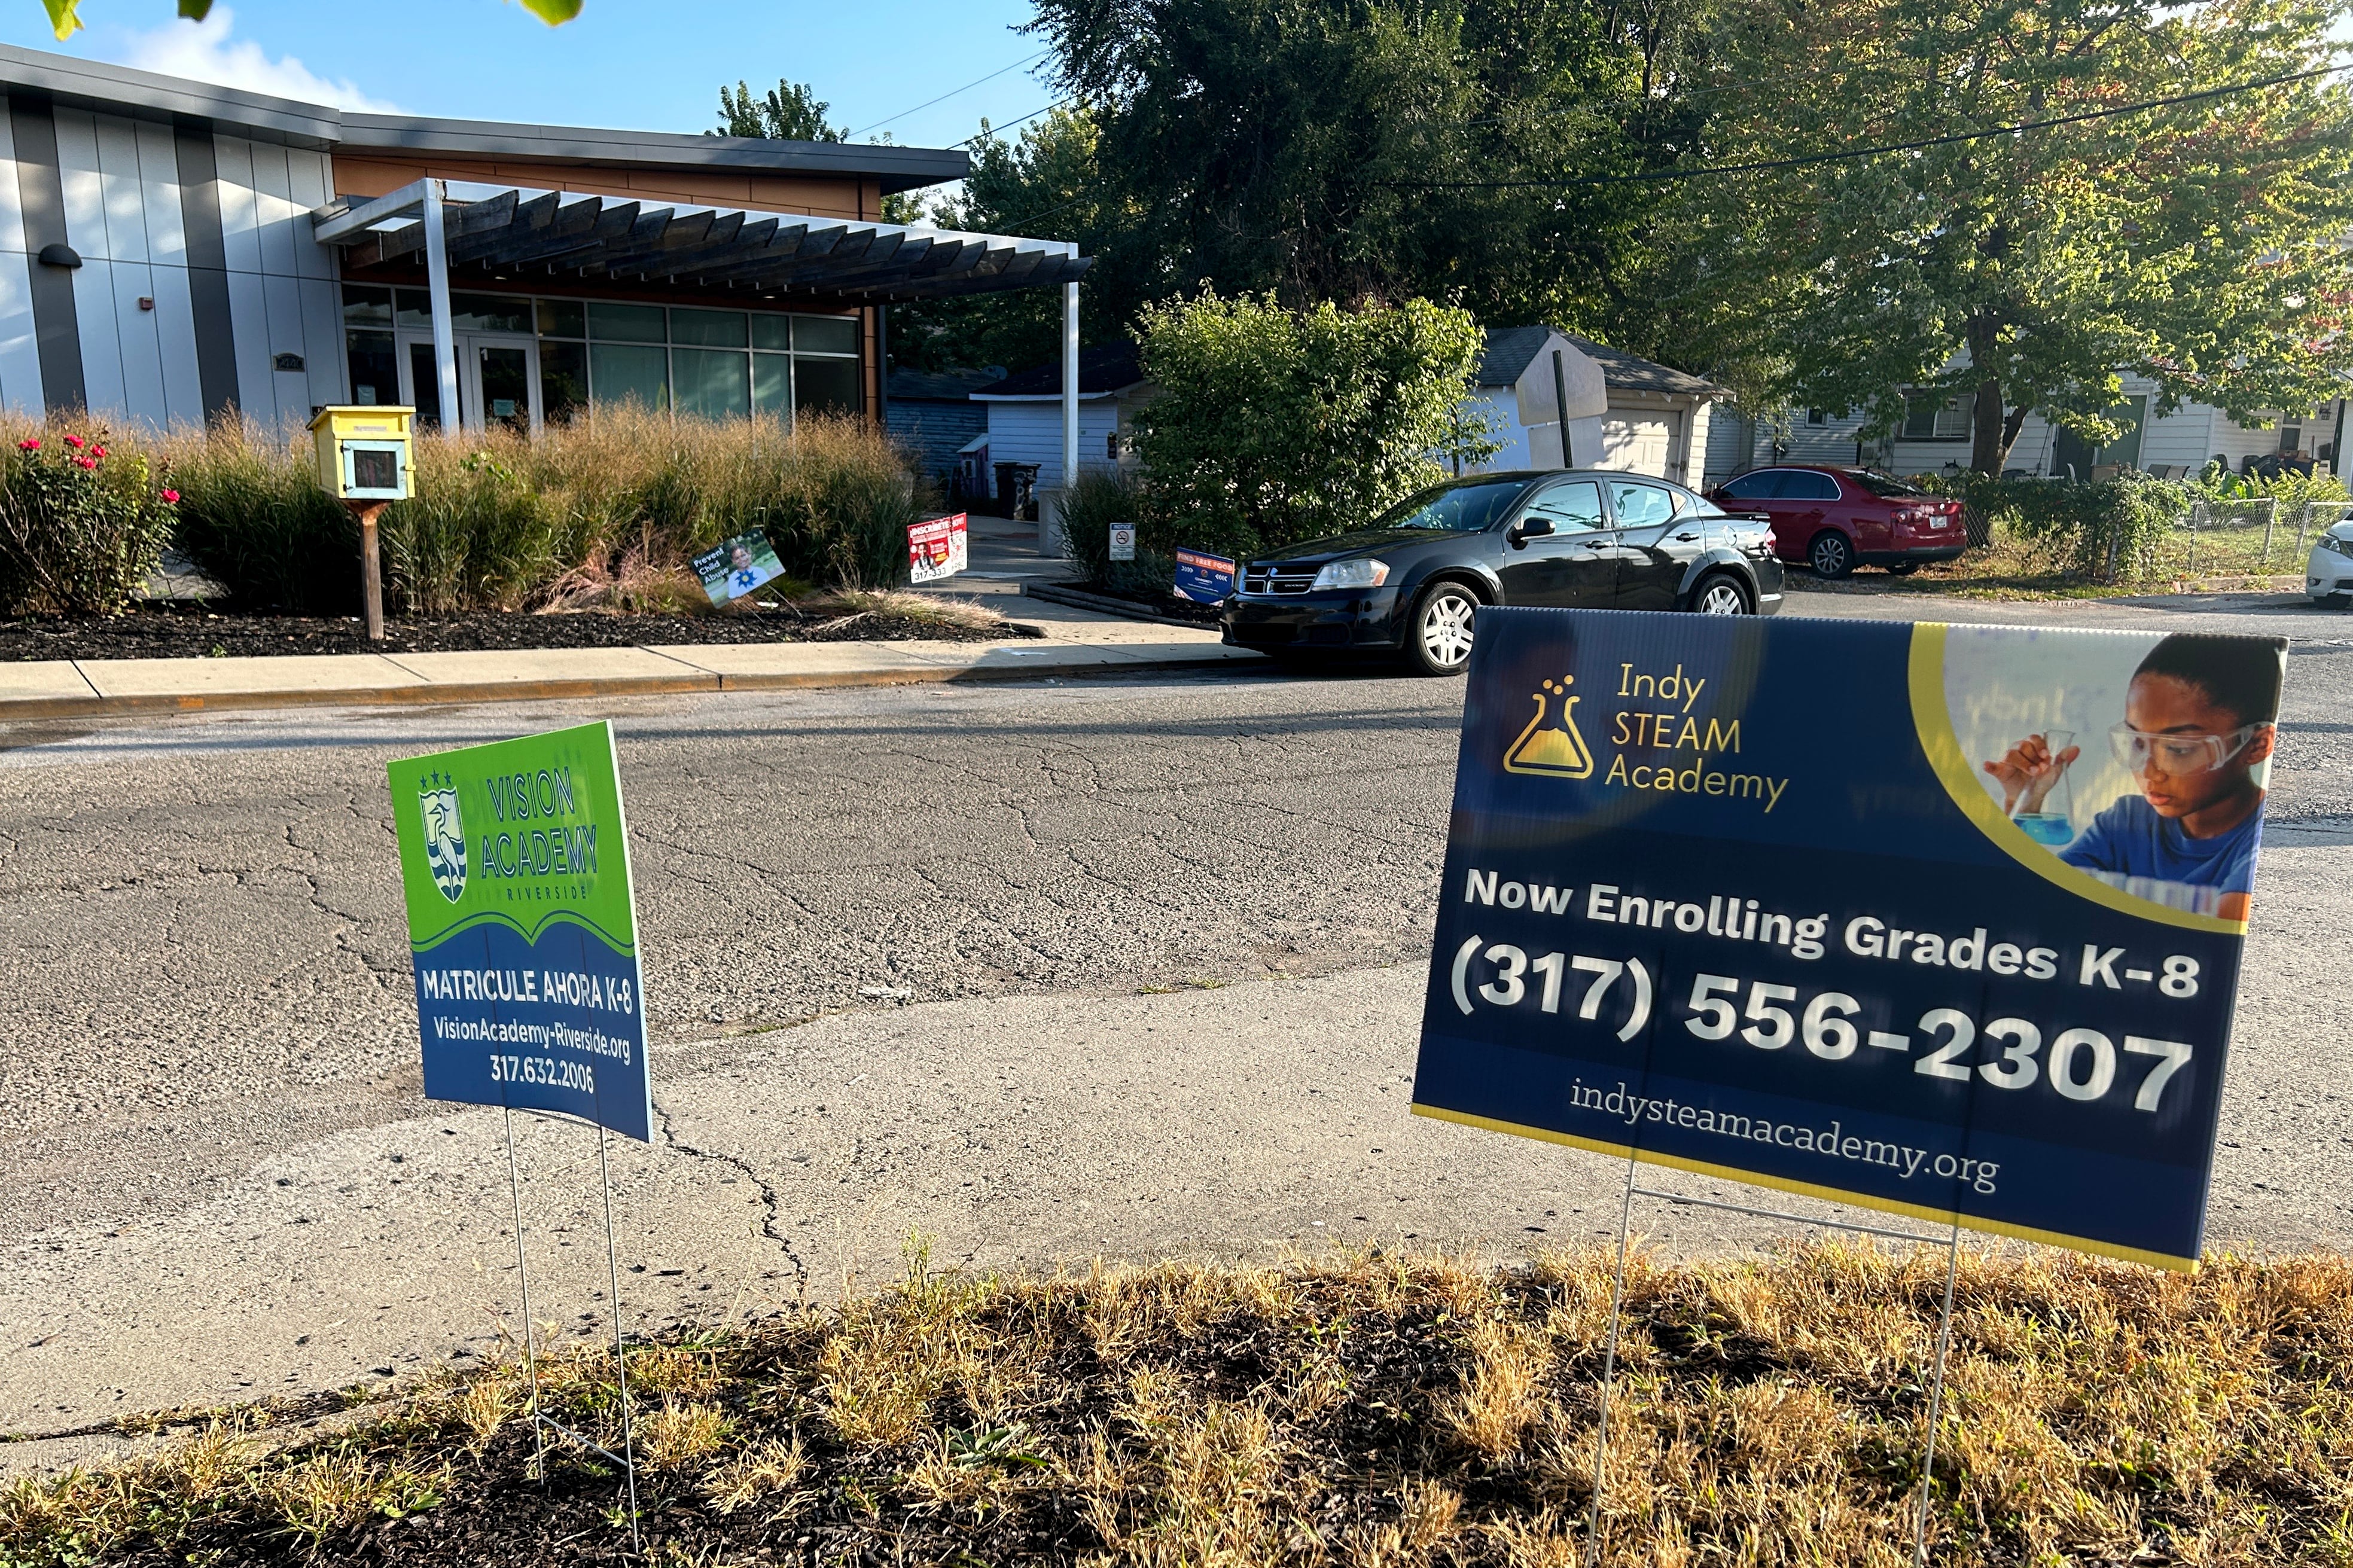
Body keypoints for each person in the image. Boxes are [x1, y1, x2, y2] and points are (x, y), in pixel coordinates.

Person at [1983, 634, 2281, 921]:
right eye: (2137, 743)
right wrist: (2026, 801)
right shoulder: (2127, 822)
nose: (2149, 772)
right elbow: (2026, 902)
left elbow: (2216, 944)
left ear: (2256, 745)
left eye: (2178, 749)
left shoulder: (2260, 844)